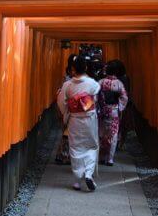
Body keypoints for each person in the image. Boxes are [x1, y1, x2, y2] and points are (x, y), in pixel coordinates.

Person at [56, 55, 101, 191]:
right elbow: (96, 100)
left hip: (74, 120)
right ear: (86, 67)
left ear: (73, 69)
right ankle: (88, 173)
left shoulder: (67, 85)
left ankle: (77, 179)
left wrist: (66, 114)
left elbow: (61, 102)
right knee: (91, 146)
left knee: (75, 148)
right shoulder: (93, 84)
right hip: (89, 119)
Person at [97, 61, 129, 165]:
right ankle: (110, 159)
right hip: (114, 110)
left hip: (102, 110)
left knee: (102, 133)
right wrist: (119, 107)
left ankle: (102, 157)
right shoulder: (119, 83)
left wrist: (98, 105)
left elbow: (94, 96)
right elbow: (124, 97)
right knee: (113, 133)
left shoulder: (100, 82)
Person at [54, 54, 78, 165]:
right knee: (66, 132)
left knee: (67, 133)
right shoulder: (70, 80)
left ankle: (63, 155)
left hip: (69, 108)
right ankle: (63, 155)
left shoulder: (67, 79)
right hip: (67, 108)